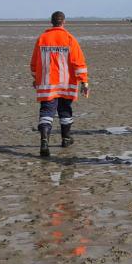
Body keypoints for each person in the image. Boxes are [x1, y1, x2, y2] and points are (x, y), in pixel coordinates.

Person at [30, 11, 89, 157]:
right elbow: (78, 62)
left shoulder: (42, 38)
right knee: (65, 111)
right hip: (66, 83)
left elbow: (34, 63)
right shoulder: (69, 38)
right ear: (64, 22)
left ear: (51, 22)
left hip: (47, 83)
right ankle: (66, 138)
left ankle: (44, 141)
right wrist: (84, 81)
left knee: (46, 112)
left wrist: (36, 78)